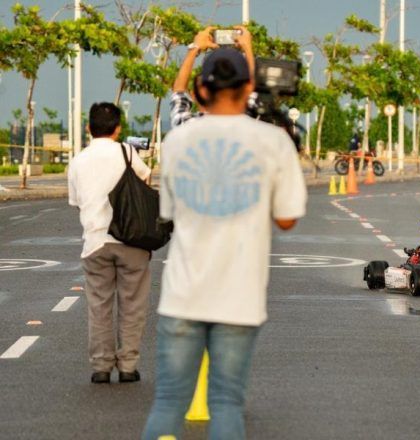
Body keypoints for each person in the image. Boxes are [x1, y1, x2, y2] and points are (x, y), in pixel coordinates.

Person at [142, 45, 307, 439]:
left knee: (168, 402)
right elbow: (287, 219)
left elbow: (169, 210)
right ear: (249, 86)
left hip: (182, 295)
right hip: (239, 297)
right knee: (227, 403)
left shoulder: (177, 140)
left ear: (201, 89)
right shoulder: (273, 141)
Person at [68, 103, 152, 384]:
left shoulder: (78, 160)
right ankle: (128, 366)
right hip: (132, 240)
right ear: (118, 128)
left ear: (88, 128)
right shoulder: (127, 152)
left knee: (99, 306)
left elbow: (75, 202)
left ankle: (101, 366)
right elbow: (145, 178)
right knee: (133, 305)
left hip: (95, 242)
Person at [170, 26, 253, 128]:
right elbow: (254, 91)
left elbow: (179, 90)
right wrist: (247, 48)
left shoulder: (185, 125)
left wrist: (195, 48)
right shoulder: (252, 124)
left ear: (202, 91)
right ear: (247, 89)